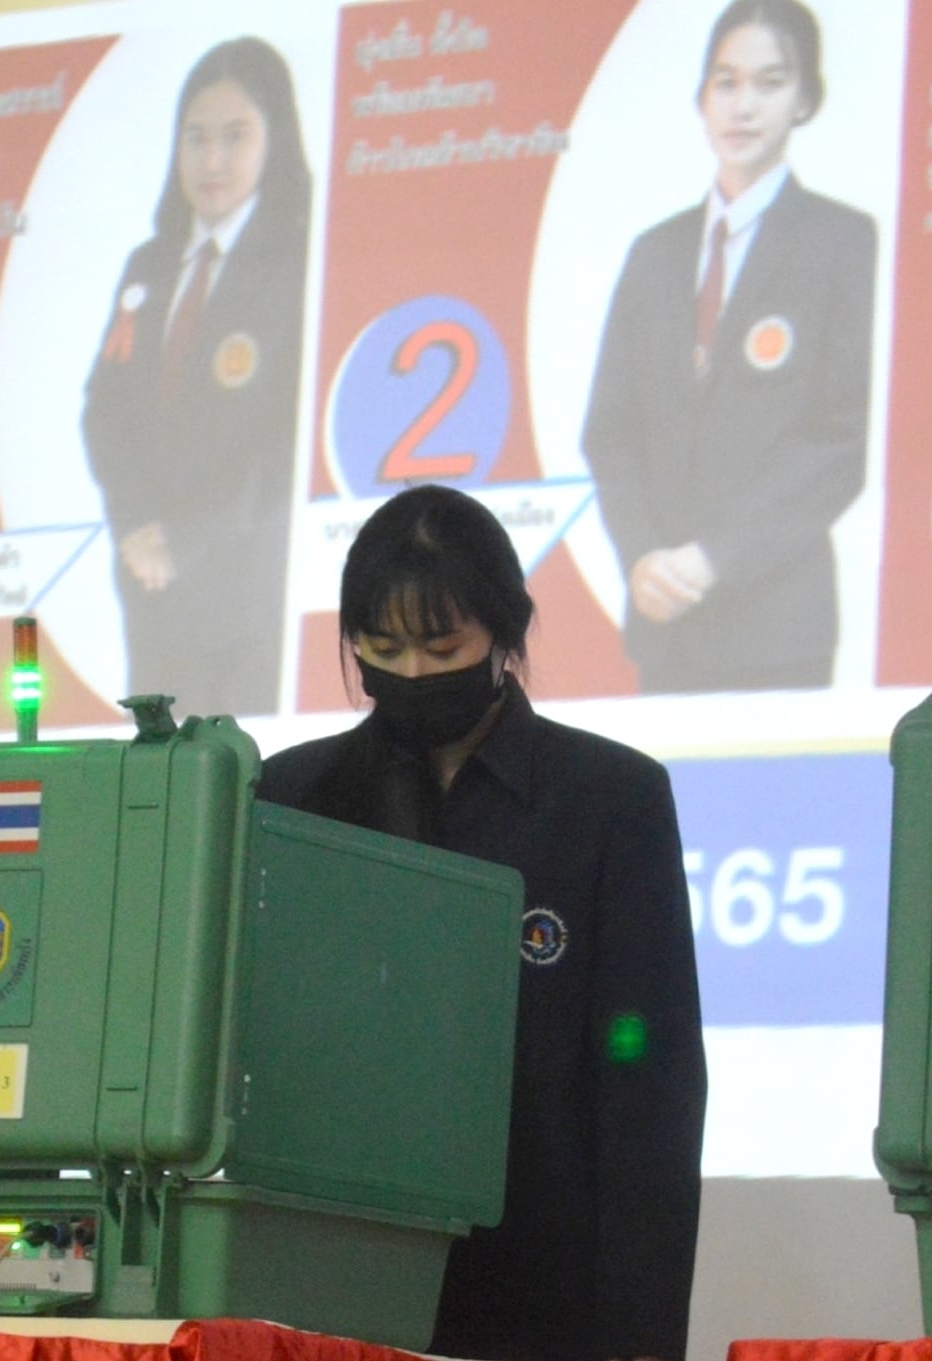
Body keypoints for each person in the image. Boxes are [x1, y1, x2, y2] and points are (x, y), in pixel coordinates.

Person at [257, 486, 706, 1361]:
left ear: (506, 631)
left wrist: (642, 1330)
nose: (414, 674)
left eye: (442, 645)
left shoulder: (610, 799)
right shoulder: (292, 795)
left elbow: (648, 1084)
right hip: (334, 1278)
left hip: (546, 1288)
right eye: (382, 648)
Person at [583, 0, 874, 695]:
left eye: (770, 82)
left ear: (806, 98)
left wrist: (717, 558)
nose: (744, 105)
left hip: (778, 626)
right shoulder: (654, 253)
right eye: (726, 81)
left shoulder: (843, 242)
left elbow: (845, 439)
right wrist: (644, 556)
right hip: (666, 628)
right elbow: (611, 432)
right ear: (701, 97)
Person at [81, 35, 311, 717]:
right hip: (152, 596)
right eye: (196, 137)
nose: (212, 160)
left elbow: (281, 441)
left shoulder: (300, 266)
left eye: (235, 136)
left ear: (274, 140)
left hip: (242, 595)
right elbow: (103, 410)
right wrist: (135, 524)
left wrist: (184, 539)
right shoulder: (148, 267)